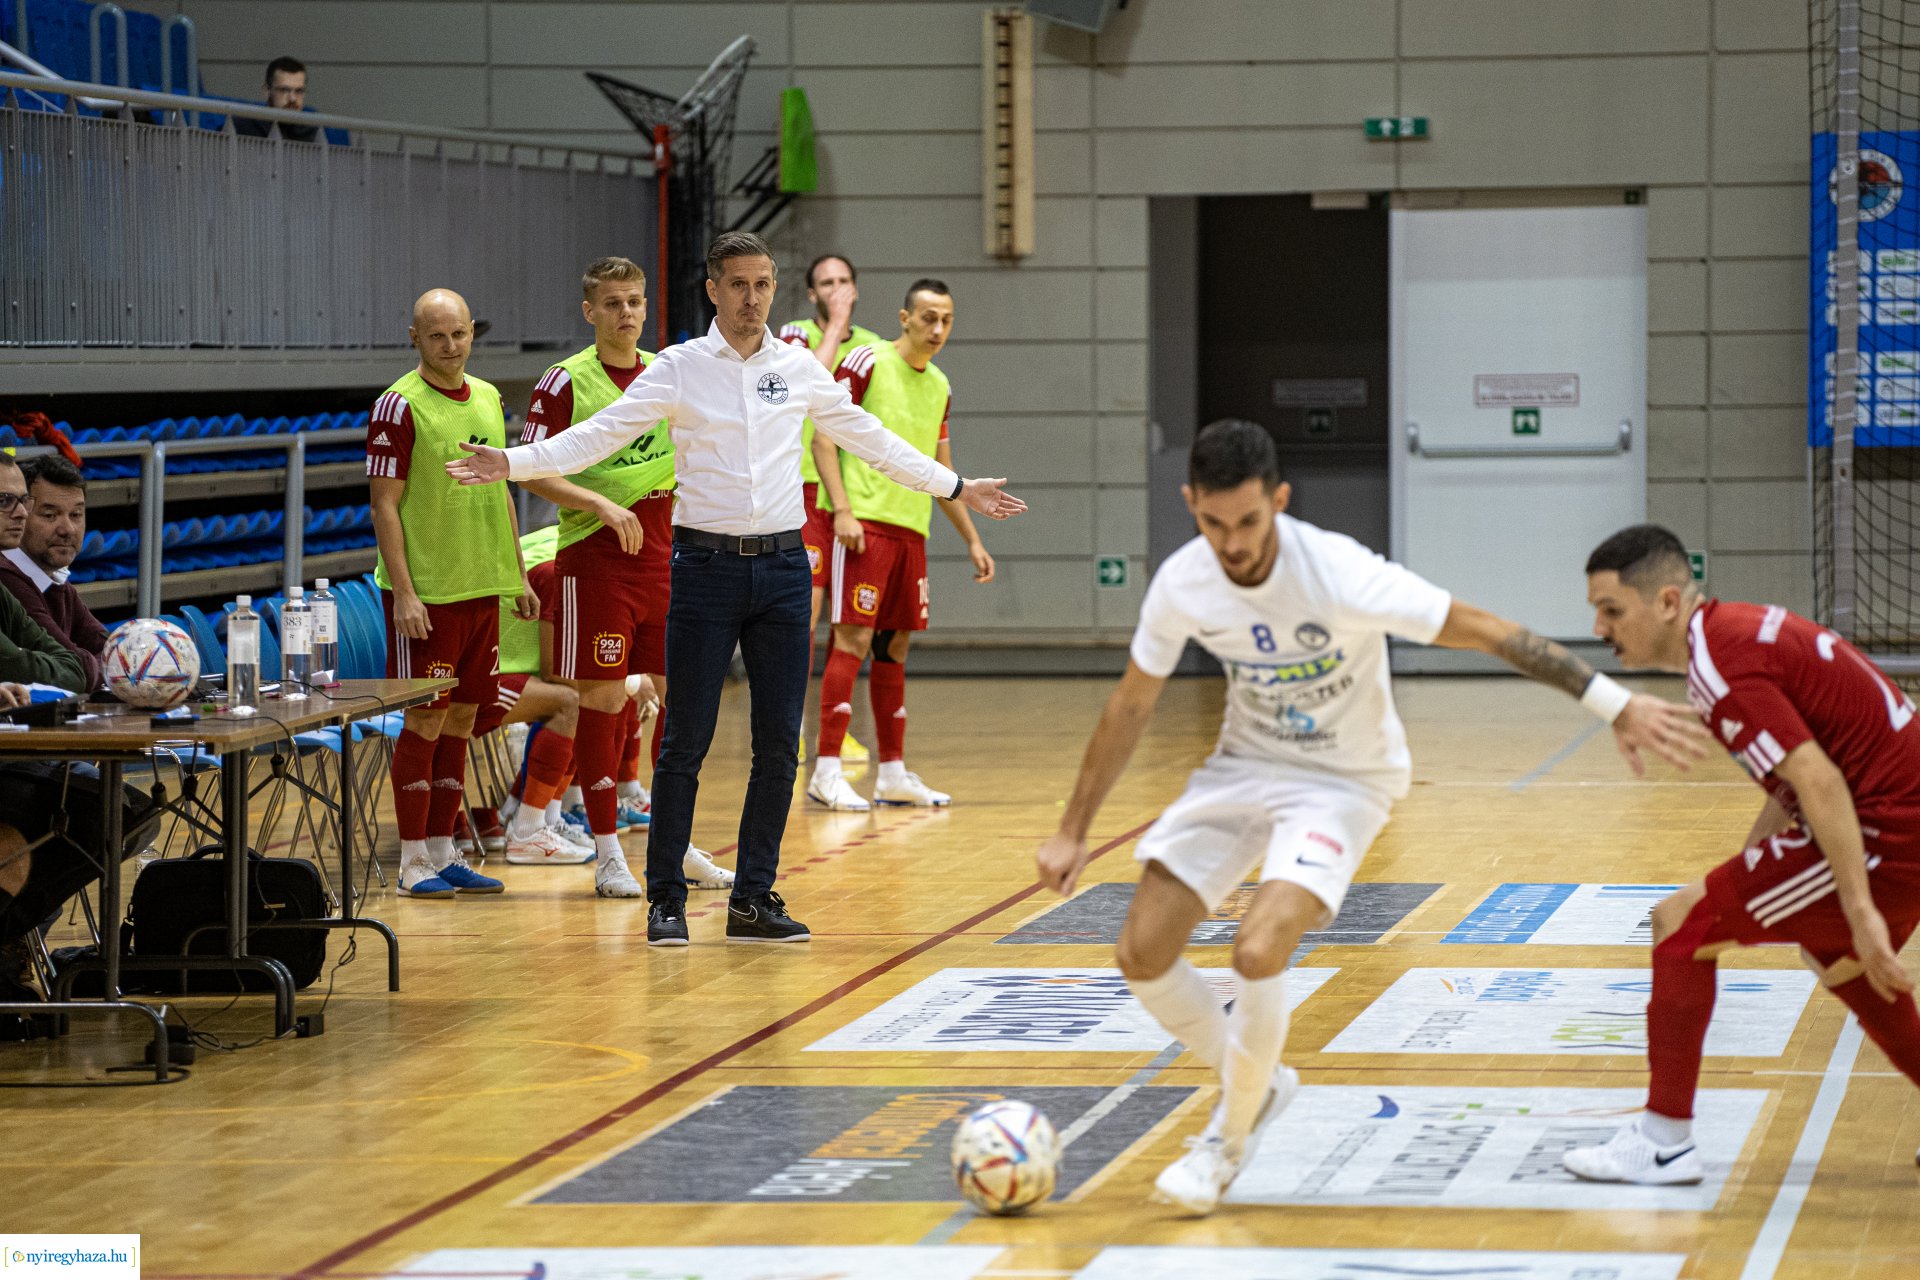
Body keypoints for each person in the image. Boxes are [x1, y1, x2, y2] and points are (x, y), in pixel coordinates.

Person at [1033, 420, 1710, 1216]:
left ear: (1280, 501)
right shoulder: (1184, 581)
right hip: (1243, 768)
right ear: (1190, 504)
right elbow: (1131, 704)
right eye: (1214, 523)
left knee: (1257, 949)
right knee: (1142, 953)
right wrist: (1073, 828)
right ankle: (1258, 1084)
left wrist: (1613, 702)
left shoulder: (1340, 572)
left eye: (1248, 521)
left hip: (1343, 781)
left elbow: (1490, 632)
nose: (1233, 543)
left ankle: (1226, 1140)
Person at [448, 230, 1026, 949]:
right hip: (704, 570)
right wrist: (510, 462)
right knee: (684, 740)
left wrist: (958, 487)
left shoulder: (799, 367)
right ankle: (665, 899)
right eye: (739, 285)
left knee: (779, 745)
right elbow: (598, 435)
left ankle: (753, 898)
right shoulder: (680, 367)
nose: (752, 298)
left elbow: (871, 440)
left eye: (763, 285)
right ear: (713, 290)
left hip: (784, 572)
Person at [1562, 525, 1920, 1183]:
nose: (1599, 628)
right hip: (1898, 818)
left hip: (1885, 831)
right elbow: (1799, 778)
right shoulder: (1732, 633)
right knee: (1845, 966)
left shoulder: (1717, 667)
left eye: (1611, 610)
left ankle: (1663, 1142)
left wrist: (1860, 907)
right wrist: (1750, 869)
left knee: (1679, 926)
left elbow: (1819, 782)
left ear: (1667, 602)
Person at [516, 256, 732, 898]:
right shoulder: (565, 381)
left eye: (634, 301)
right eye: (612, 303)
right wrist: (600, 505)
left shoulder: (665, 372)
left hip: (667, 562)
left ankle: (674, 841)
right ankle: (609, 853)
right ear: (590, 311)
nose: (626, 313)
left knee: (676, 700)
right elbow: (528, 466)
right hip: (597, 564)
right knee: (604, 702)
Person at [368, 288, 536, 900]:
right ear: (415, 337)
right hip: (429, 597)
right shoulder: (398, 406)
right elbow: (383, 505)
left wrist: (517, 575)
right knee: (425, 718)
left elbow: (501, 494)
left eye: (459, 333)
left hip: (481, 588)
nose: (450, 345)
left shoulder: (489, 397)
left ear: (472, 332)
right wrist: (406, 593)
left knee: (463, 719)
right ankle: (413, 860)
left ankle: (444, 850)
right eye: (436, 336)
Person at [807, 279, 993, 811]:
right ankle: (826, 770)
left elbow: (943, 471)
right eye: (928, 317)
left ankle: (891, 773)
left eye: (947, 320)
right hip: (864, 526)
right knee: (852, 640)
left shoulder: (940, 385)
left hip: (912, 531)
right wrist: (842, 509)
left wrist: (973, 539)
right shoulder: (868, 361)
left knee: (895, 648)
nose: (938, 329)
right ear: (905, 317)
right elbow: (824, 436)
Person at [780, 253, 882, 764]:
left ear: (856, 287)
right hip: (802, 490)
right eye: (826, 283)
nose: (836, 289)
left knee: (851, 621)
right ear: (812, 293)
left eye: (844, 281)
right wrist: (836, 326)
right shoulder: (793, 335)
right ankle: (792, 730)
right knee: (805, 615)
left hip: (852, 496)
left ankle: (834, 730)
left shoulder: (874, 349)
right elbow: (807, 385)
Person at [0, 456, 106, 689]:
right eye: (50, 515)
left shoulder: (56, 579)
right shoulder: (7, 577)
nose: (67, 529)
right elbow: (76, 671)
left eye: (76, 515)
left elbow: (109, 651)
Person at [233, 56, 319, 143]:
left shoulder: (313, 128)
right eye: (284, 90)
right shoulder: (244, 125)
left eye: (299, 91)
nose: (292, 99)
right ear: (267, 91)